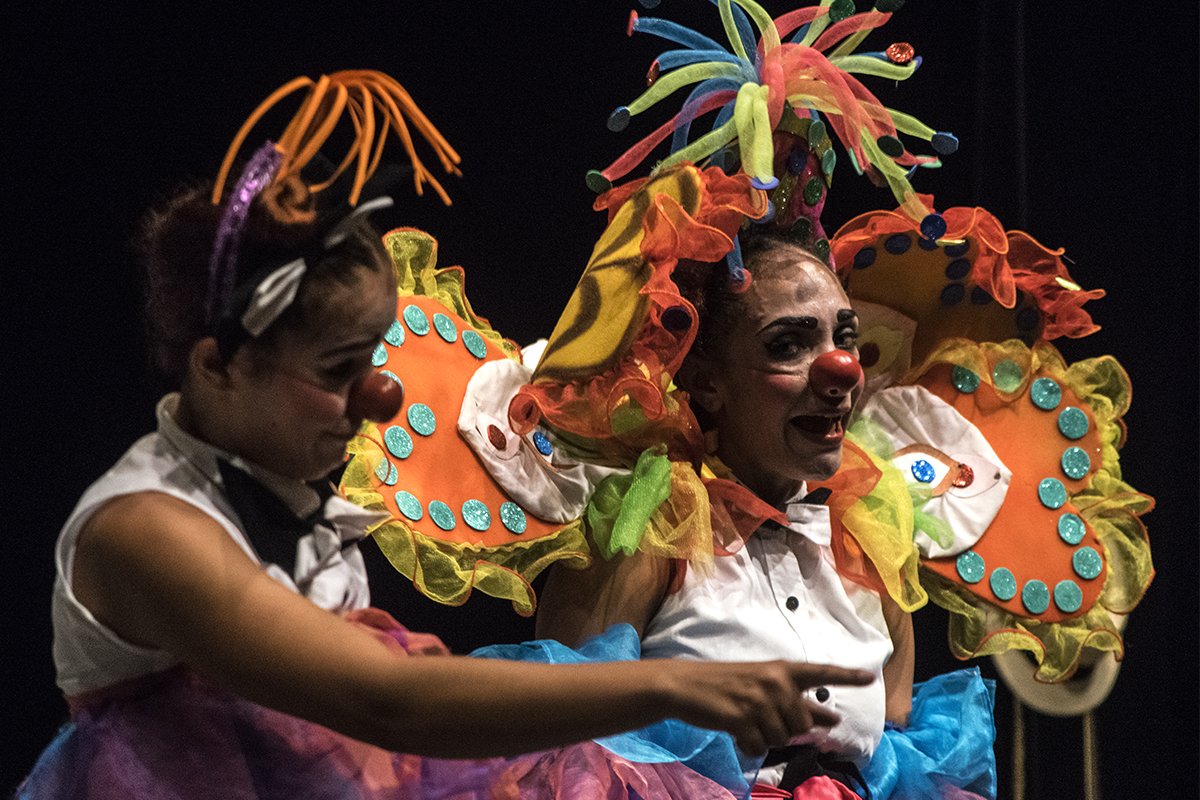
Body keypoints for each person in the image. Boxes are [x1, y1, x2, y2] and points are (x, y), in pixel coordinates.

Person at [16, 70, 874, 800]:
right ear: (215, 367)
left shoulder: (282, 497)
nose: (383, 396)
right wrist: (678, 683)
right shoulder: (147, 528)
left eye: (377, 356)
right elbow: (388, 700)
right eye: (338, 369)